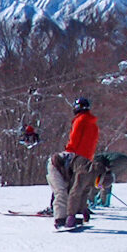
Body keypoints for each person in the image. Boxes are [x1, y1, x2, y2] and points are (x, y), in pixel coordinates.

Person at [46, 97, 100, 229]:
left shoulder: (80, 120)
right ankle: (73, 213)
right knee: (77, 188)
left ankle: (60, 215)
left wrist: (69, 151)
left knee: (64, 188)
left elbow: (74, 138)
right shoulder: (93, 124)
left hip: (74, 157)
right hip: (86, 159)